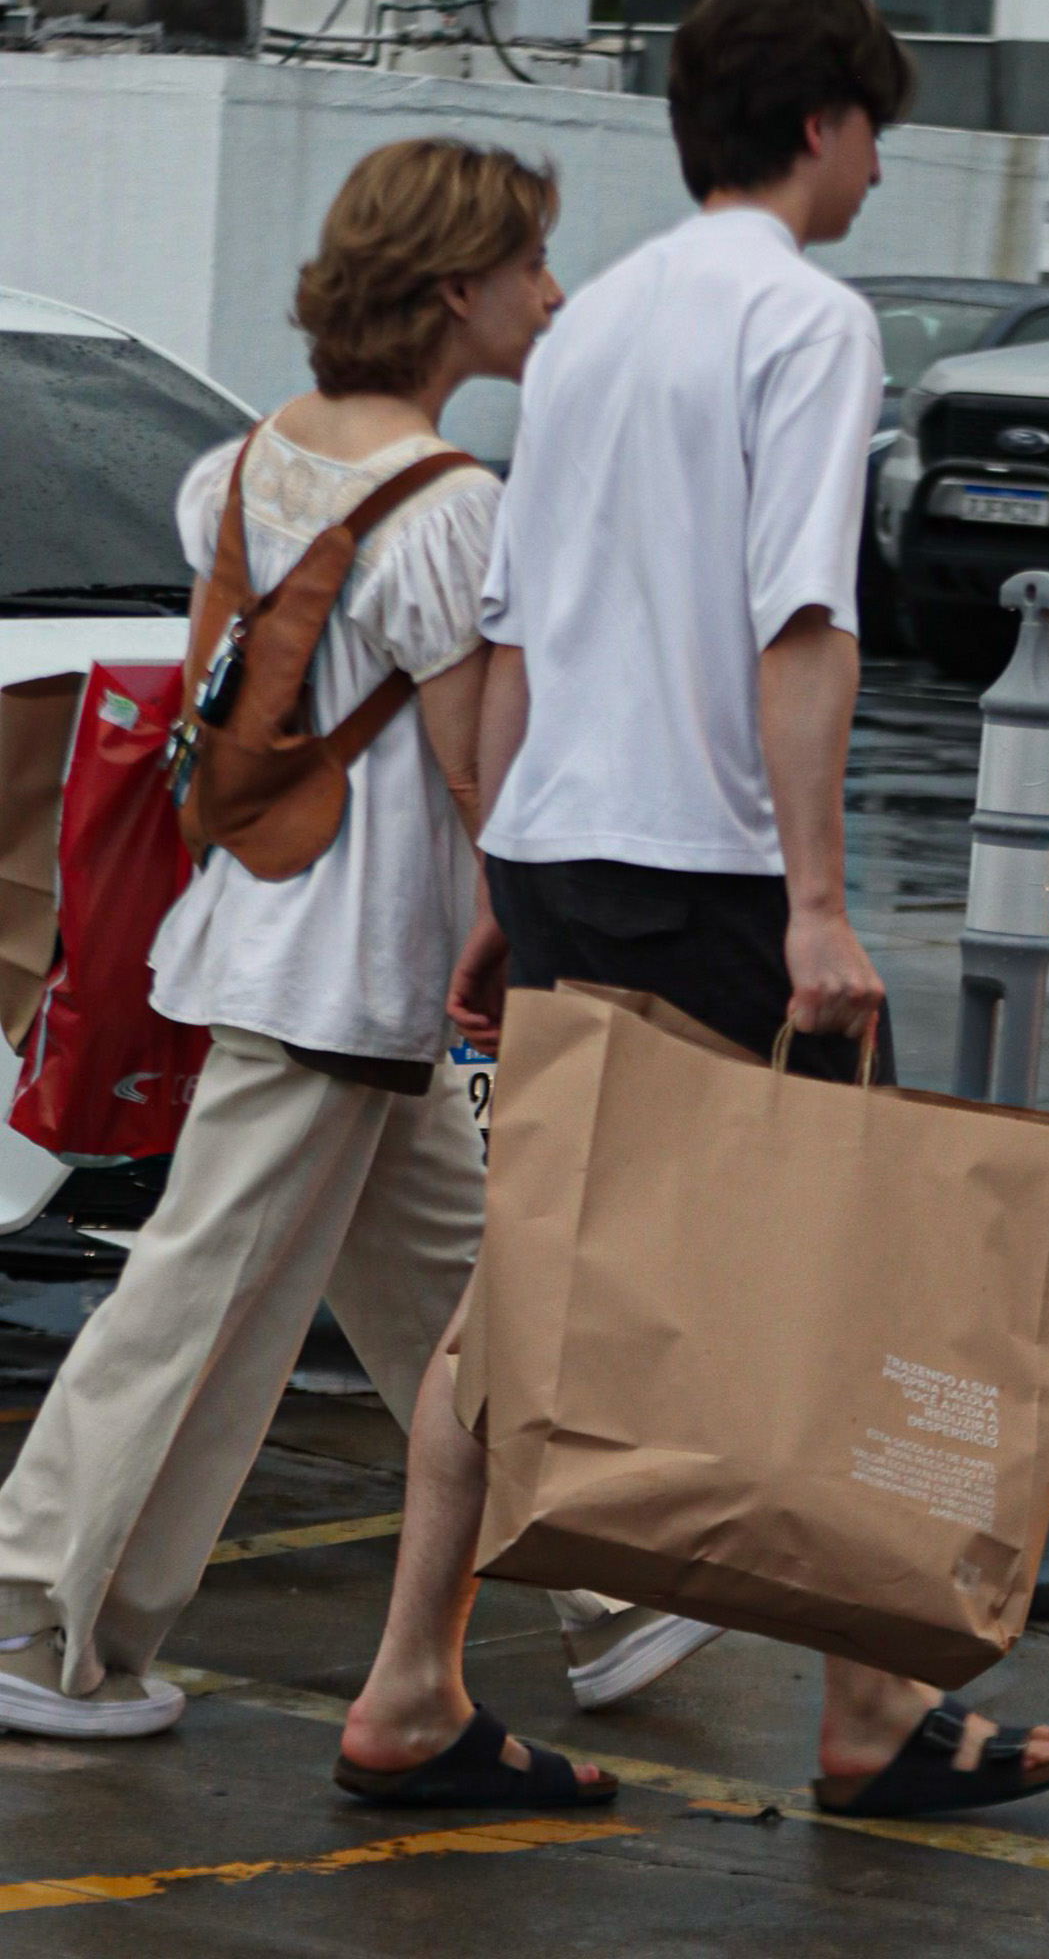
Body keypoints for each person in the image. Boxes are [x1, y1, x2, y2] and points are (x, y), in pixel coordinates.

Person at [336, 0, 1049, 1822]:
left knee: (534, 1271)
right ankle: (865, 1710)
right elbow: (803, 622)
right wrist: (820, 903)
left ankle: (413, 1685)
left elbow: (518, 619)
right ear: (824, 126)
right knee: (864, 1263)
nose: (879, 173)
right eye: (876, 136)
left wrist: (505, 861)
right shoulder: (803, 318)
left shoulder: (585, 331)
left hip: (574, 850)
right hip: (719, 866)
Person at [0, 139, 619, 1787]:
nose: (548, 296)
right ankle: (37, 1614)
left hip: (273, 937)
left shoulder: (243, 462)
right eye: (525, 266)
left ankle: (611, 1579)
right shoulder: (448, 505)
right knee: (198, 1295)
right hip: (351, 970)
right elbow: (481, 769)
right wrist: (523, 929)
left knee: (458, 1292)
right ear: (448, 295)